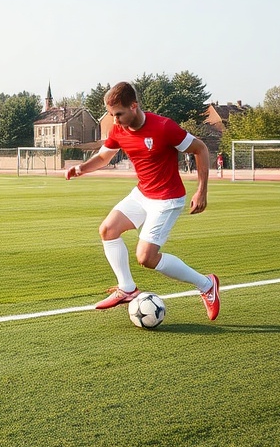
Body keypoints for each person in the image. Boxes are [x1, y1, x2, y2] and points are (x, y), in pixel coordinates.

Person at [65, 81, 220, 321]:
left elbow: (200, 149)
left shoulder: (164, 127)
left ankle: (207, 285)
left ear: (134, 106)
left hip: (167, 199)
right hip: (142, 193)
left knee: (146, 258)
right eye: (110, 114)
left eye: (119, 114)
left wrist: (202, 190)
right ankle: (127, 288)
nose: (114, 120)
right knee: (108, 230)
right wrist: (81, 168)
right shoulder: (118, 130)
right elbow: (104, 157)